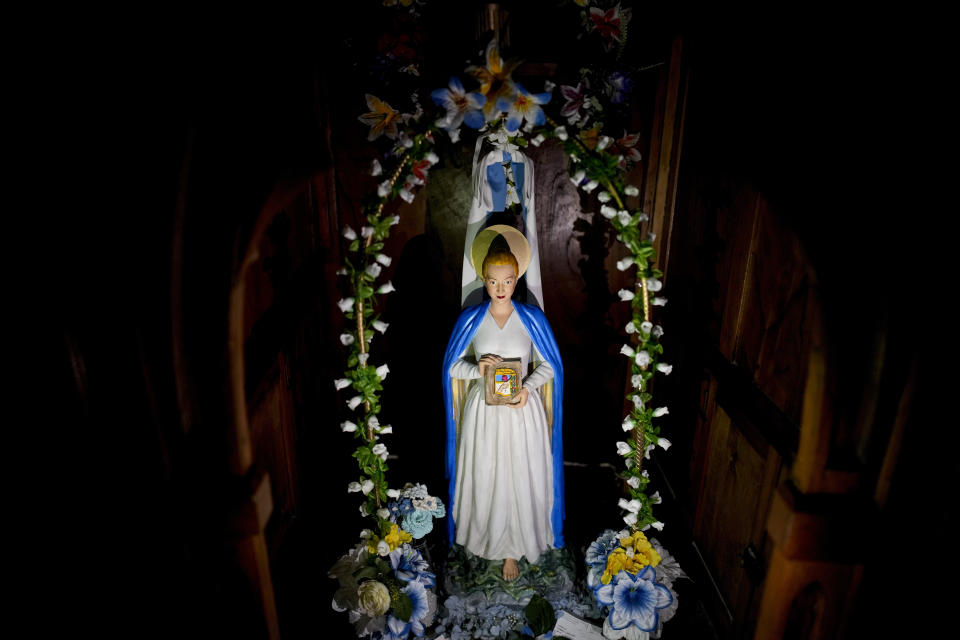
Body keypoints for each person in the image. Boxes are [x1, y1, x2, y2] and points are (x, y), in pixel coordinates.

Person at [442, 225, 564, 581]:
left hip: (522, 412)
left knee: (519, 474)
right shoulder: (471, 320)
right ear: (483, 278)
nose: (500, 289)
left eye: (507, 281)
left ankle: (514, 546)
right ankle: (486, 537)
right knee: (487, 470)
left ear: (517, 278)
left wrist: (528, 388)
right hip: (484, 413)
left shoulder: (531, 320)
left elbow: (549, 366)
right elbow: (452, 367)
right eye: (493, 281)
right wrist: (476, 369)